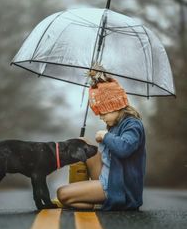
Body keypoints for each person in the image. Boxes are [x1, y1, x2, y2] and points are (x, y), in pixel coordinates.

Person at [56, 71, 146, 211]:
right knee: (82, 142)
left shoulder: (133, 125)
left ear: (114, 106)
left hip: (118, 186)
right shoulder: (115, 124)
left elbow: (125, 148)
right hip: (109, 176)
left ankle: (91, 199)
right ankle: (81, 192)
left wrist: (106, 136)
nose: (101, 117)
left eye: (103, 112)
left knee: (62, 194)